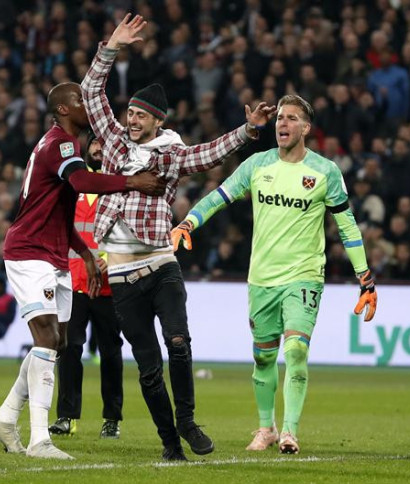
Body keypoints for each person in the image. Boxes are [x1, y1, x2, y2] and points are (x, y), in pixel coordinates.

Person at [81, 13, 277, 461]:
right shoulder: (111, 144)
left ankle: (187, 421)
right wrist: (111, 46)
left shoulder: (169, 155)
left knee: (179, 344)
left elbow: (207, 154)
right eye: (128, 112)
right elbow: (92, 94)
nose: (130, 120)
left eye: (139, 115)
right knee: (149, 369)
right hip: (123, 275)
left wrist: (248, 132)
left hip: (160, 264)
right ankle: (171, 445)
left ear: (156, 121)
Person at [171, 94, 378, 455]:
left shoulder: (325, 172)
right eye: (280, 117)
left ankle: (289, 431)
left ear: (306, 128)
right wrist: (189, 221)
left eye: (292, 118)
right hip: (261, 278)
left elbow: (347, 228)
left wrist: (365, 278)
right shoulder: (257, 165)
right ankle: (265, 428)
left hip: (304, 275)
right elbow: (218, 195)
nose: (283, 123)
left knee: (296, 351)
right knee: (264, 357)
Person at [0, 81, 165, 460]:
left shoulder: (66, 147)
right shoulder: (60, 145)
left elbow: (59, 213)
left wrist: (82, 253)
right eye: (81, 100)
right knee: (47, 339)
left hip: (55, 254)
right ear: (64, 109)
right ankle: (39, 441)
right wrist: (133, 181)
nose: (90, 106)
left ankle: (5, 417)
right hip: (29, 252)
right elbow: (83, 182)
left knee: (60, 342)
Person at [49, 134, 124, 440]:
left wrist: (112, 258)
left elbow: (127, 232)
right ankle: (67, 416)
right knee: (69, 349)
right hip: (74, 282)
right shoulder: (74, 186)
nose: (98, 149)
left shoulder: (120, 188)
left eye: (104, 146)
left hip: (109, 285)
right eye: (95, 144)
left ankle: (112, 419)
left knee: (110, 353)